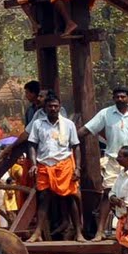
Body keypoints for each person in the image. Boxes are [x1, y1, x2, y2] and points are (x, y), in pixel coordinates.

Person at [27, 94, 83, 240]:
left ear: (59, 107)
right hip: (45, 164)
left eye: (55, 106)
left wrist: (77, 168)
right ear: (45, 108)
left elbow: (76, 146)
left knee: (70, 197)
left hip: (64, 164)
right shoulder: (38, 124)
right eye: (50, 106)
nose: (53, 108)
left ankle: (78, 232)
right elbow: (32, 145)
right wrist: (33, 164)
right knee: (44, 198)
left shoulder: (68, 124)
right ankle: (37, 232)